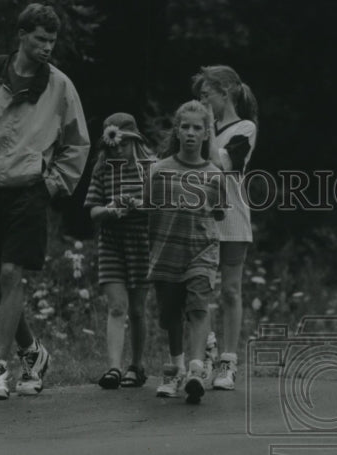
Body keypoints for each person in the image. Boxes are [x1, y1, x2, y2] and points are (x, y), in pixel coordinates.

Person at [0, 3, 90, 399]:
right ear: (22, 35)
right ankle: (33, 351)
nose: (47, 47)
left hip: (30, 191)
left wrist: (52, 185)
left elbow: (77, 144)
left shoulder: (60, 86)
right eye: (40, 39)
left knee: (11, 272)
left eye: (52, 41)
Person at [148, 100, 225, 403]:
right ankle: (176, 368)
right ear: (177, 131)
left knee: (197, 307)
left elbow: (219, 213)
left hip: (201, 252)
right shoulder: (158, 171)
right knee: (170, 316)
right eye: (186, 127)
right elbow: (149, 210)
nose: (191, 133)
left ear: (206, 134)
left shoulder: (215, 175)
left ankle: (195, 369)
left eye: (197, 128)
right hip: (166, 252)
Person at [191, 65, 258, 391]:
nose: (202, 102)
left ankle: (228, 362)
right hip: (200, 216)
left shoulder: (245, 128)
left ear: (225, 92)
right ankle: (205, 353)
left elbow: (221, 163)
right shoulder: (201, 127)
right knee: (198, 289)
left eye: (207, 95)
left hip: (232, 217)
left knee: (230, 290)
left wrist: (204, 126)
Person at [85, 113, 153, 389]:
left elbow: (160, 207)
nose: (118, 150)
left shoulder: (150, 168)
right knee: (116, 307)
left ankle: (136, 365)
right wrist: (111, 209)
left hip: (142, 243)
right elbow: (93, 211)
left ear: (135, 142)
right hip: (112, 243)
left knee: (137, 309)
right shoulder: (102, 170)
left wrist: (137, 205)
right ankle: (113, 367)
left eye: (124, 144)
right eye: (114, 145)